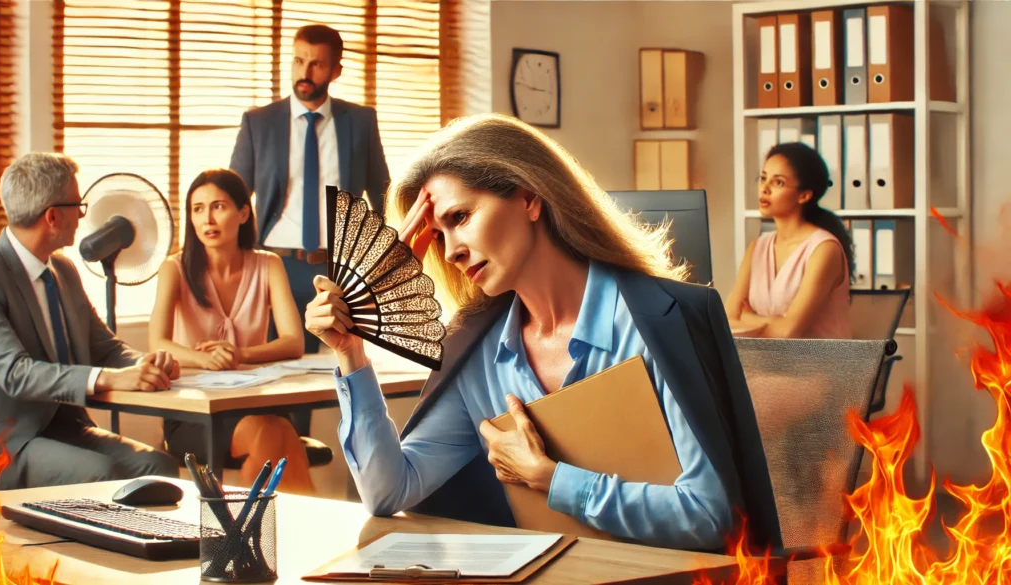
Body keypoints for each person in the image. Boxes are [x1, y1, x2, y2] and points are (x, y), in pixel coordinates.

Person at [304, 114, 782, 552]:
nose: (450, 251)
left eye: (460, 218)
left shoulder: (655, 323)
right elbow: (389, 491)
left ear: (531, 197)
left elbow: (713, 516)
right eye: (439, 235)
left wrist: (553, 480)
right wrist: (351, 352)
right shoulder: (478, 351)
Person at [0, 153, 181, 490]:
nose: (81, 214)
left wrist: (144, 363)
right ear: (52, 217)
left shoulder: (63, 270)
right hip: (10, 444)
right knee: (102, 473)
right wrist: (110, 379)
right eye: (78, 205)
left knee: (158, 465)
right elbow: (17, 374)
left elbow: (105, 347)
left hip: (69, 425)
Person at [149, 169, 314, 494]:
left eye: (218, 207)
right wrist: (203, 359)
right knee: (274, 433)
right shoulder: (174, 268)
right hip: (193, 409)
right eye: (197, 209)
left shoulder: (268, 265)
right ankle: (270, 528)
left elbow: (293, 342)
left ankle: (246, 531)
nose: (207, 219)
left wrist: (240, 355)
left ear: (242, 213)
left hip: (253, 399)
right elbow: (157, 342)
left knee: (274, 427)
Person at [229, 23, 390, 355]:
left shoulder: (360, 122)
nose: (305, 71)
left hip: (338, 269)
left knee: (341, 368)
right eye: (299, 61)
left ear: (335, 70)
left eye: (316, 63)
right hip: (275, 265)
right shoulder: (259, 122)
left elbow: (384, 196)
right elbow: (233, 201)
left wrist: (381, 266)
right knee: (277, 371)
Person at [726, 142, 853, 339]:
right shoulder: (758, 247)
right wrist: (774, 322)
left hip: (820, 366)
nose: (764, 189)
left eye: (778, 182)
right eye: (763, 178)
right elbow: (727, 319)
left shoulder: (824, 249)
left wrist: (751, 318)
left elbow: (789, 333)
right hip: (765, 362)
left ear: (804, 195)